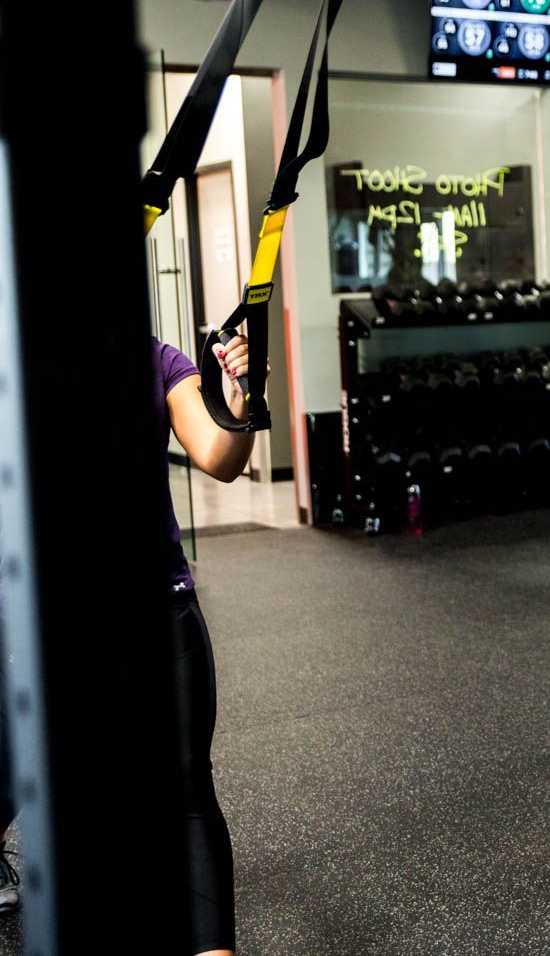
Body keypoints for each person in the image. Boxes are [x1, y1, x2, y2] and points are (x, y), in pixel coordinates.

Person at [158, 333, 257, 955]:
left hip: (160, 603)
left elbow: (220, 457)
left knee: (189, 785)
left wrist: (242, 399)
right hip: (35, 621)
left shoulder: (157, 360)